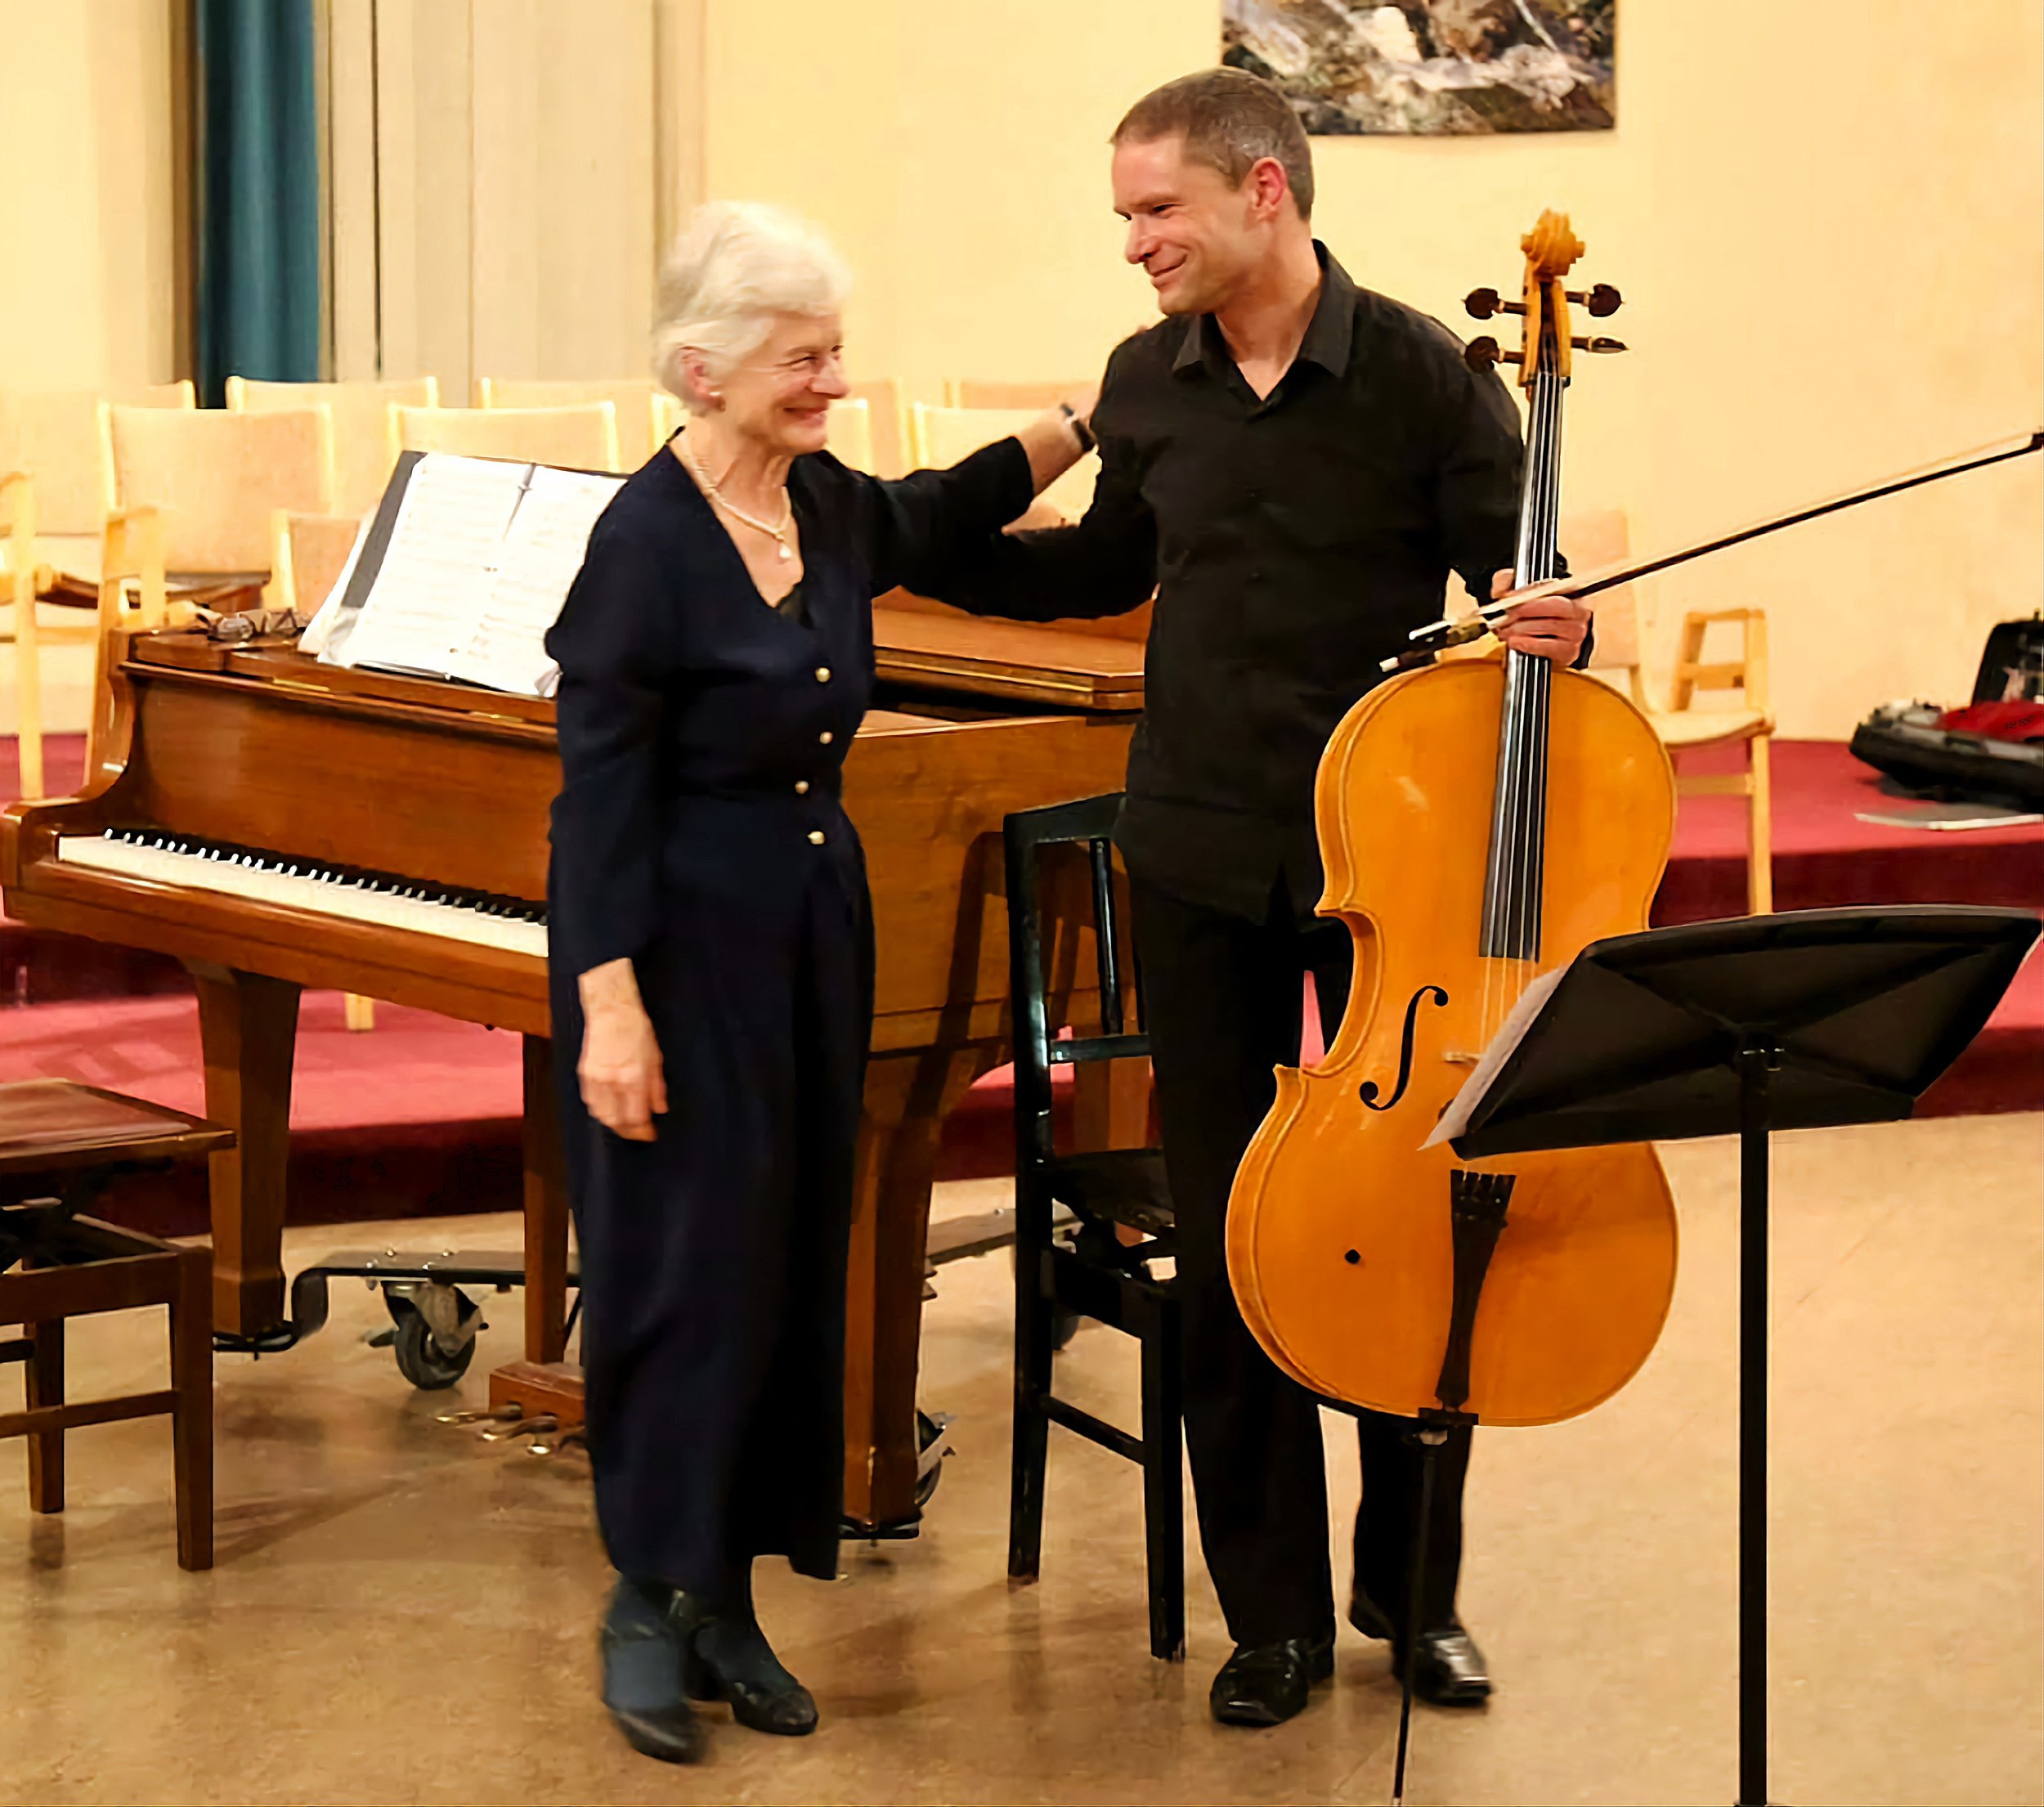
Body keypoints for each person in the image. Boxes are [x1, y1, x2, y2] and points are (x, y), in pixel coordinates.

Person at [930, 70, 1592, 1728]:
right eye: (1124, 218)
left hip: (1394, 877)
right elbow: (1101, 567)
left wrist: (1549, 621)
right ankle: (1275, 1614)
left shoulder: (1428, 380)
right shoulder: (1144, 380)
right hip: (1202, 855)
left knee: (1412, 1218)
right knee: (1237, 1237)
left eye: (1155, 212)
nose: (1134, 245)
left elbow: (1509, 576)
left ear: (1264, 194)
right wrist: (908, 531)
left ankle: (1410, 1591)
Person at [545, 200, 1092, 1765]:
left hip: (811, 926)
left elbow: (950, 505)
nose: (831, 381)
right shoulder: (644, 545)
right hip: (678, 940)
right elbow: (594, 801)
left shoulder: (827, 510)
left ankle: (728, 1595)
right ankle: (645, 1601)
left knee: (787, 1258)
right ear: (701, 370)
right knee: (674, 1270)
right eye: (802, 358)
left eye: (837, 352)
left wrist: (1083, 422)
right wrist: (609, 1003)